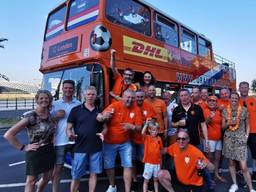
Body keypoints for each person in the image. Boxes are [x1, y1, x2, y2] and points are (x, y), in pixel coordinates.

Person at [4, 90, 55, 192]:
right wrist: (23, 147)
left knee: (47, 177)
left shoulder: (49, 114)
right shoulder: (31, 116)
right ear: (37, 100)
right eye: (41, 98)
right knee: (31, 180)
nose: (44, 100)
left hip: (49, 150)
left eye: (46, 98)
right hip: (35, 151)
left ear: (50, 100)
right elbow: (8, 134)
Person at [101, 89, 143, 192]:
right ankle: (112, 186)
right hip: (109, 142)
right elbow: (102, 117)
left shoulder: (136, 109)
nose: (130, 99)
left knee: (127, 165)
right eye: (127, 97)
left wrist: (132, 127)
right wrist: (104, 118)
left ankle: (127, 190)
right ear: (123, 97)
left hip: (125, 142)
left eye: (132, 98)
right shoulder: (114, 106)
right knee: (109, 165)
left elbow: (140, 128)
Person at [66, 86, 104, 192]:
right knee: (76, 175)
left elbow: (105, 128)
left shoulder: (100, 111)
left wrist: (103, 134)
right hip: (80, 147)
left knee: (93, 174)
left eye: (93, 94)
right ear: (84, 95)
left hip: (96, 147)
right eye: (88, 94)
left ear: (96, 96)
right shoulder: (75, 110)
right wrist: (70, 134)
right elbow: (68, 128)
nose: (90, 96)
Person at [222, 92, 255, 192]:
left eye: (236, 98)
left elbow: (248, 124)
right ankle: (235, 184)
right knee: (231, 163)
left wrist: (246, 135)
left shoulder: (244, 110)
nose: (234, 100)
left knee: (243, 166)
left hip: (240, 139)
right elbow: (222, 127)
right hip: (229, 139)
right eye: (232, 98)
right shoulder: (225, 110)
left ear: (238, 99)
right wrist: (228, 123)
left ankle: (251, 188)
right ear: (229, 99)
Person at [51, 80, 81, 192]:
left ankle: (74, 189)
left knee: (77, 169)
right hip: (60, 141)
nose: (68, 90)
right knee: (58, 169)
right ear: (62, 89)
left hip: (75, 141)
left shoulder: (78, 104)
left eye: (70, 88)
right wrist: (56, 117)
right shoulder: (55, 104)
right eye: (66, 88)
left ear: (74, 89)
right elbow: (48, 121)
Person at [131, 89, 156, 191]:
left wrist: (148, 123)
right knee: (132, 160)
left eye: (141, 97)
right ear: (135, 97)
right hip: (131, 139)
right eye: (137, 97)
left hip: (144, 140)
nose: (139, 99)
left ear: (144, 97)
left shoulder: (148, 106)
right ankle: (134, 180)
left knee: (145, 160)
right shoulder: (131, 106)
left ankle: (147, 180)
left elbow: (153, 119)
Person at [203, 95, 226, 182]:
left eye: (214, 101)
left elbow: (222, 126)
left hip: (218, 139)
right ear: (208, 102)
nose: (212, 102)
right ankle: (209, 177)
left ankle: (216, 175)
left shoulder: (219, 111)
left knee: (217, 158)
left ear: (217, 103)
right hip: (209, 138)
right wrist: (210, 117)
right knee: (209, 158)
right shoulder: (205, 111)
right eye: (210, 101)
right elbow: (203, 124)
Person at [239, 81, 256, 182]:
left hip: (253, 131)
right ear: (239, 89)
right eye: (242, 87)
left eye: (246, 87)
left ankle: (254, 172)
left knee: (255, 154)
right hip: (239, 132)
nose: (244, 89)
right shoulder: (236, 101)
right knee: (241, 154)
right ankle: (243, 174)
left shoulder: (253, 100)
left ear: (248, 88)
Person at [141, 120, 163, 192]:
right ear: (149, 130)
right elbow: (142, 132)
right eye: (153, 130)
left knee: (156, 180)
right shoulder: (147, 138)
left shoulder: (159, 139)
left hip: (157, 163)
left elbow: (160, 151)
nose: (155, 132)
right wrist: (146, 124)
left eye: (156, 130)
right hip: (149, 163)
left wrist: (161, 163)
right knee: (146, 180)